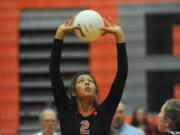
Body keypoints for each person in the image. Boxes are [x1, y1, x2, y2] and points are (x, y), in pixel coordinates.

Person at [49, 16, 128, 135]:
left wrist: (119, 36)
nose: (87, 83)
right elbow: (54, 72)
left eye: (90, 82)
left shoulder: (105, 111)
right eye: (81, 81)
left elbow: (122, 74)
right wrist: (60, 33)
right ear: (74, 92)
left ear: (96, 91)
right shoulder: (66, 109)